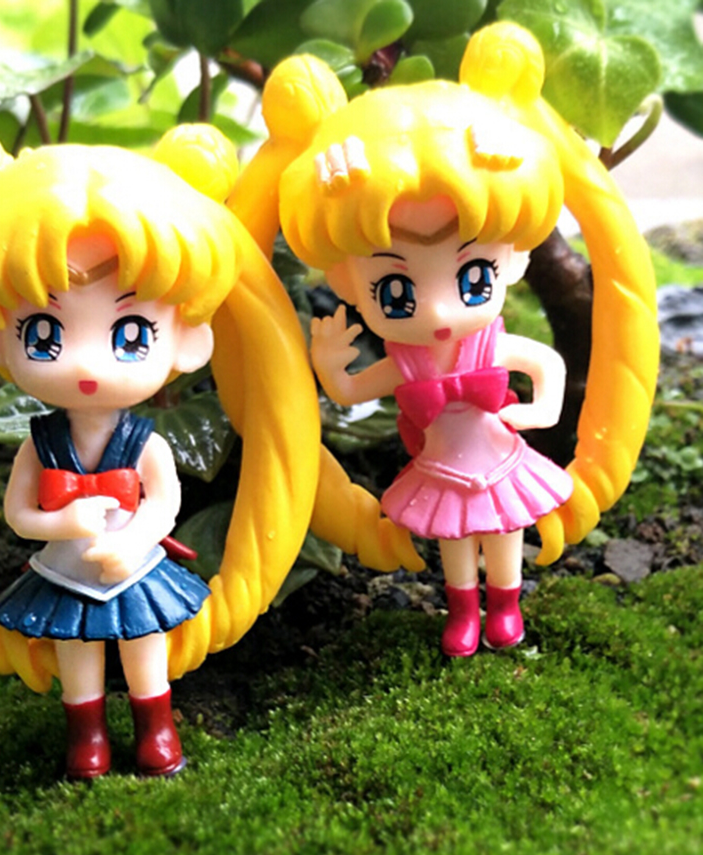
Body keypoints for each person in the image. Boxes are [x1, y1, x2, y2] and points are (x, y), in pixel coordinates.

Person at [0, 123, 320, 776]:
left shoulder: (144, 444)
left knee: (146, 647)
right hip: (64, 569)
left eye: (130, 335)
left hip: (134, 566)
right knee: (75, 654)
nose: (87, 365)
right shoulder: (41, 445)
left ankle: (157, 729)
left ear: (188, 340)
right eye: (45, 334)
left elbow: (163, 503)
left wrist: (136, 539)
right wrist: (61, 521)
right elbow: (18, 514)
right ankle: (87, 736)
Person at [229, 21, 658, 654]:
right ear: (347, 281)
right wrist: (329, 362)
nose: (436, 310)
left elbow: (547, 365)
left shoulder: (488, 347)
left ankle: (504, 603)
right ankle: (462, 609)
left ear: (512, 260)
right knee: (456, 540)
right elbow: (349, 393)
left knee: (504, 531)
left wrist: (538, 412)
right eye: (395, 292)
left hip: (499, 455)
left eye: (473, 277)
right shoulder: (406, 362)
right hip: (441, 466)